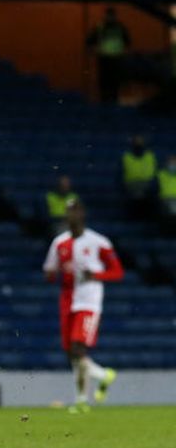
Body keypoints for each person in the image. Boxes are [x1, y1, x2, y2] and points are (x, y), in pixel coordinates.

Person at [43, 200, 123, 412]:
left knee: (78, 348)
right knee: (71, 352)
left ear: (83, 214)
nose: (72, 215)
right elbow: (50, 272)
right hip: (68, 301)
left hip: (89, 301)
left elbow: (117, 272)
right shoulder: (59, 243)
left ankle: (89, 392)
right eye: (69, 211)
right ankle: (94, 385)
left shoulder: (98, 242)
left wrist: (96, 275)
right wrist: (52, 274)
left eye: (76, 210)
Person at [86, 6, 130, 103]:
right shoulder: (100, 27)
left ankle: (114, 101)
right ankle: (104, 102)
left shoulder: (120, 27)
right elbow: (89, 41)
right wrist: (94, 49)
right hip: (104, 59)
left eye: (112, 16)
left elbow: (127, 42)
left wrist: (124, 53)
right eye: (109, 15)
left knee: (115, 83)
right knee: (104, 83)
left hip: (117, 59)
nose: (110, 18)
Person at [121, 135, 157, 218]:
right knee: (135, 197)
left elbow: (156, 173)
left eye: (140, 141)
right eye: (136, 142)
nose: (138, 144)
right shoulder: (126, 157)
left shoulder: (150, 156)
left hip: (148, 186)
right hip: (131, 186)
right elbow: (120, 175)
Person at [158, 154, 176, 233]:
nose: (173, 165)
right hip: (164, 204)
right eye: (171, 162)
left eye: (175, 163)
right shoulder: (160, 175)